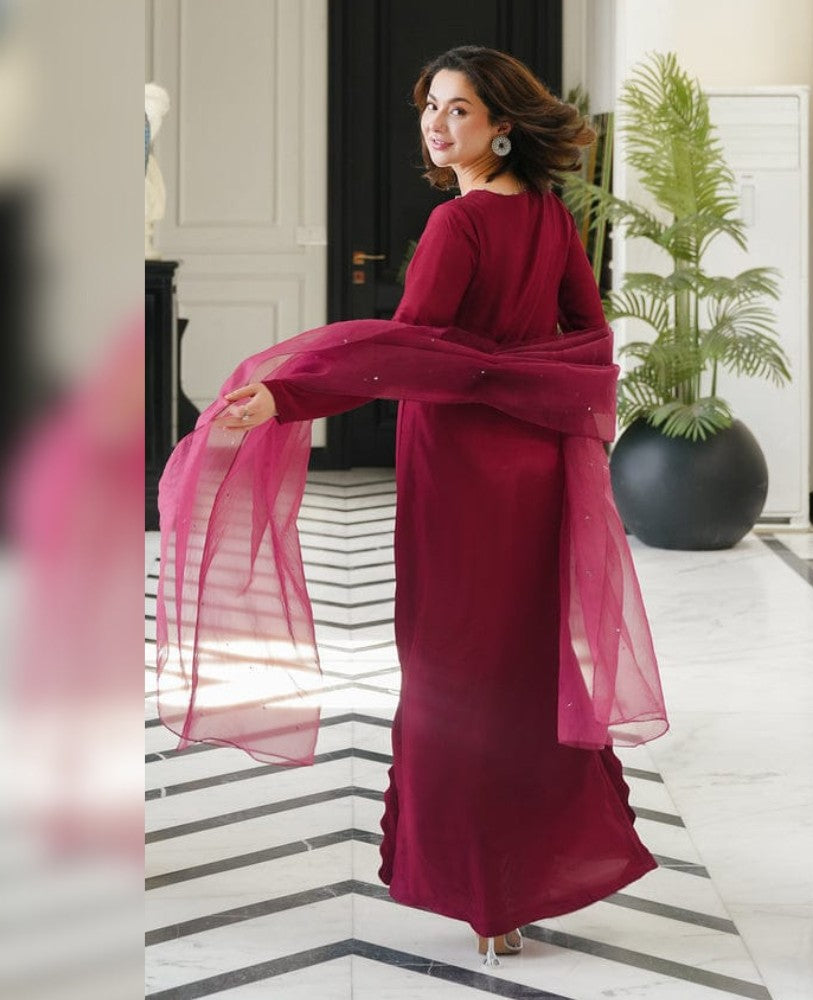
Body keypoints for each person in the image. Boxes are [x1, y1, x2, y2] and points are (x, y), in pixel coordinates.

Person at [158, 45, 668, 967]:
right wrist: (523, 380)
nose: (436, 126)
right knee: (522, 668)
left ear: (501, 126)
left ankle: (483, 892)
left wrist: (289, 396)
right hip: (537, 471)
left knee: (453, 671)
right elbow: (589, 343)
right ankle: (523, 877)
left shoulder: (459, 226)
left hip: (465, 475)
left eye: (459, 110)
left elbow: (404, 354)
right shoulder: (552, 219)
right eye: (430, 107)